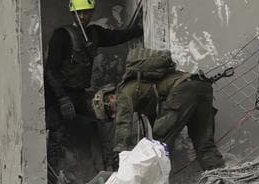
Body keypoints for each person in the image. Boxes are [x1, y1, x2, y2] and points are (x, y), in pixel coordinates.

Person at [92, 48, 225, 170]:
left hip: (183, 91)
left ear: (110, 98)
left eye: (110, 112)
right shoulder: (140, 92)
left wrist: (119, 160)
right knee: (204, 143)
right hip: (201, 85)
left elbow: (123, 128)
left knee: (157, 144)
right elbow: (158, 121)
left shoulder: (123, 94)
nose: (114, 116)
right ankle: (219, 178)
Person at [45, 0, 143, 122]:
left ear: (92, 12)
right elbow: (51, 70)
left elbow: (116, 37)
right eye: (78, 13)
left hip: (79, 93)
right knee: (57, 127)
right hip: (59, 94)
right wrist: (62, 98)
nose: (81, 16)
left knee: (108, 107)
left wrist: (138, 29)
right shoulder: (62, 36)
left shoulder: (93, 33)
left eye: (86, 12)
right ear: (72, 13)